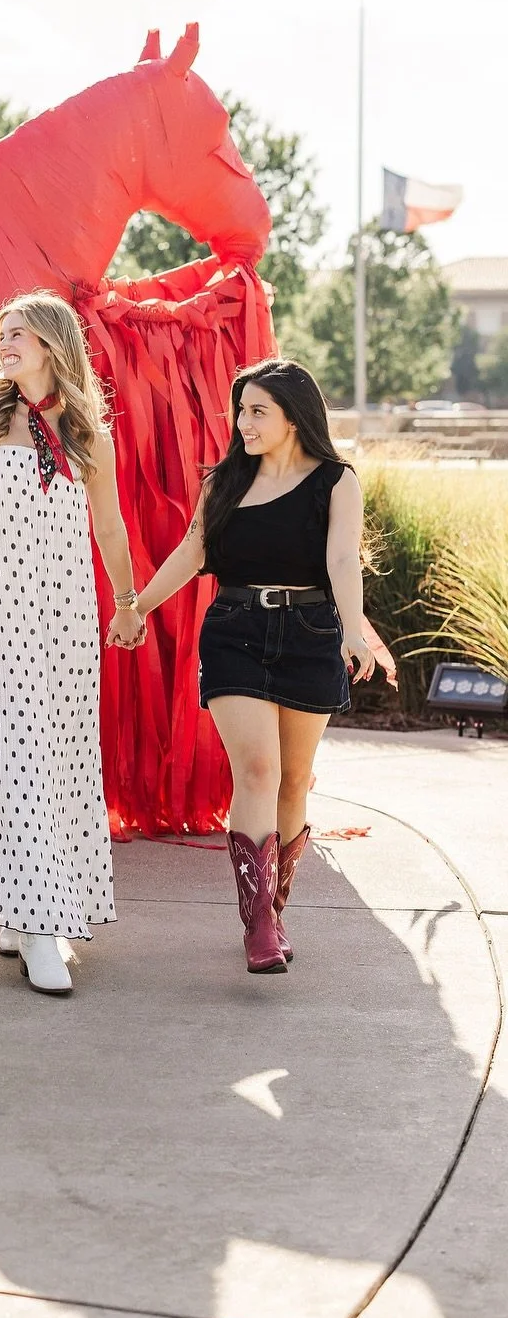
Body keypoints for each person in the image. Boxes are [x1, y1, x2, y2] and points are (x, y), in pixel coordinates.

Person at [0, 291, 142, 996]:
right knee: (12, 753)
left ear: (51, 343)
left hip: (63, 622)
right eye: (0, 332)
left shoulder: (86, 434)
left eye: (19, 334)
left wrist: (127, 601)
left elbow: (108, 529)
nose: (4, 343)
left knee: (57, 757)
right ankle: (43, 929)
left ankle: (23, 904)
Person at [135, 357, 375, 973]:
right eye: (241, 410)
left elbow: (344, 562)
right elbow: (193, 552)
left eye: (257, 411)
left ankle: (277, 903)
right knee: (259, 770)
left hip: (310, 630)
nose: (243, 422)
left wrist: (355, 629)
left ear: (294, 417)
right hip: (235, 631)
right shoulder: (224, 482)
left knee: (294, 781)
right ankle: (258, 924)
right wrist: (137, 606)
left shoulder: (336, 481)